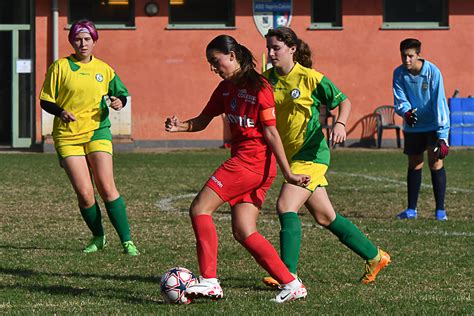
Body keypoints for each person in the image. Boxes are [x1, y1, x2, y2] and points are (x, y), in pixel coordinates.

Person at [165, 34, 310, 303]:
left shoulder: (260, 87)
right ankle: (291, 284)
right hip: (253, 167)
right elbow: (202, 120)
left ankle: (209, 281)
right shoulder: (224, 89)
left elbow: (271, 133)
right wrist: (180, 126)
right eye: (210, 63)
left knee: (199, 209)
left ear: (232, 56)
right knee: (244, 231)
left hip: (249, 164)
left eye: (215, 61)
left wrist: (288, 173)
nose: (213, 67)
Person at [261, 27, 391, 287]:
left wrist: (340, 124)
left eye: (276, 48)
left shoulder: (310, 78)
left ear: (292, 49)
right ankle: (375, 256)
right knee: (325, 217)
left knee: (286, 206)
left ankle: (288, 275)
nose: (271, 53)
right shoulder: (266, 81)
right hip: (290, 155)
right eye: (269, 48)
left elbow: (344, 101)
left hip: (312, 153)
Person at [39, 19, 139, 255]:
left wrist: (118, 101)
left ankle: (127, 241)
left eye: (87, 39)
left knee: (106, 187)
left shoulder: (104, 69)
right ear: (72, 41)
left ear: (94, 41)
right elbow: (45, 100)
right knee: (85, 193)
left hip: (98, 131)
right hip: (67, 136)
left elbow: (122, 94)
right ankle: (98, 237)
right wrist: (61, 111)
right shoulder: (60, 67)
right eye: (78, 39)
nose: (83, 43)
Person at [393, 38, 450, 221]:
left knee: (436, 163)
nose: (406, 60)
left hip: (433, 125)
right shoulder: (399, 73)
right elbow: (399, 98)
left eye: (410, 56)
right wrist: (406, 112)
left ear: (419, 55)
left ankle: (440, 211)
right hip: (414, 127)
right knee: (414, 163)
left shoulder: (433, 72)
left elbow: (440, 103)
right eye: (404, 56)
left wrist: (442, 136)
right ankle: (411, 210)